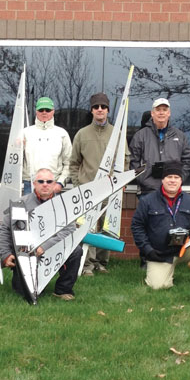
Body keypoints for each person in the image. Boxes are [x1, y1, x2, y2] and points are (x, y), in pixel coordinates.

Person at [0, 168, 82, 301]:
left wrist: (45, 246)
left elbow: (69, 231)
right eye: (41, 181)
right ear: (34, 184)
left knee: (76, 250)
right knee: (24, 292)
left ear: (54, 185)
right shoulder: (21, 204)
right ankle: (27, 280)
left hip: (52, 248)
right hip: (25, 252)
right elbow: (4, 230)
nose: (45, 184)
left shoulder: (63, 205)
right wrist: (5, 255)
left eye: (49, 181)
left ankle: (63, 290)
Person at [131, 161, 190, 293]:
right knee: (158, 286)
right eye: (169, 177)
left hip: (183, 249)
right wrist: (147, 250)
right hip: (159, 253)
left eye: (176, 178)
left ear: (181, 181)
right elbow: (137, 226)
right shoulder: (147, 201)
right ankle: (166, 274)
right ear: (162, 180)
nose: (172, 181)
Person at [69, 92, 128, 276]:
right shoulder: (82, 134)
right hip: (88, 190)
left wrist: (121, 181)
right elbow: (74, 163)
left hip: (110, 190)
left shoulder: (116, 133)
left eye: (103, 107)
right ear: (92, 110)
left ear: (108, 110)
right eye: (96, 107)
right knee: (88, 227)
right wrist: (79, 184)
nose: (100, 110)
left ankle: (102, 262)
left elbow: (125, 159)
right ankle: (87, 264)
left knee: (106, 226)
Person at [129, 98, 190, 196]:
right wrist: (146, 181)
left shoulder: (180, 136)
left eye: (164, 110)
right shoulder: (140, 136)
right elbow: (133, 163)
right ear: (152, 113)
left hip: (173, 192)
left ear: (169, 113)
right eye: (158, 110)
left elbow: (187, 162)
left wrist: (176, 181)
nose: (161, 113)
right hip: (148, 192)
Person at [21, 97, 72, 195]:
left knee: (53, 211)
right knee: (30, 211)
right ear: (36, 111)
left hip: (53, 185)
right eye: (41, 110)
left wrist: (60, 183)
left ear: (53, 111)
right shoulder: (25, 133)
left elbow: (69, 163)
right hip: (31, 185)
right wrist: (17, 146)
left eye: (48, 110)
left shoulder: (62, 134)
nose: (44, 112)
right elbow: (15, 162)